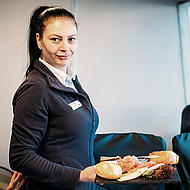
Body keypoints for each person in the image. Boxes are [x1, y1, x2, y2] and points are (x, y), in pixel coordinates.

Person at [9, 5, 99, 190]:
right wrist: (79, 175)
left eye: (71, 39)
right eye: (56, 39)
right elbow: (21, 156)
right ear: (39, 40)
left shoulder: (69, 80)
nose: (65, 47)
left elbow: (66, 141)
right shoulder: (35, 89)